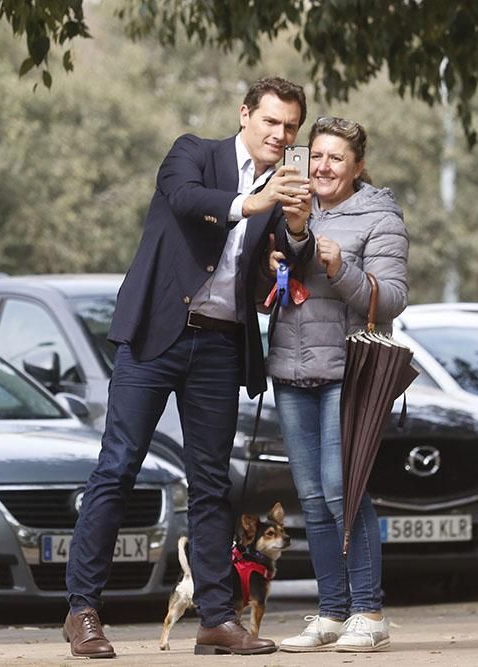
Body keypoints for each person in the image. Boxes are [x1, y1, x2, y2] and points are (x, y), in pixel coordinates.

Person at [63, 77, 313, 658]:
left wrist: (294, 227)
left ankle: (217, 620)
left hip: (222, 344)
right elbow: (185, 200)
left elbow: (286, 260)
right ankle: (82, 611)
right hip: (156, 335)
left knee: (210, 484)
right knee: (118, 467)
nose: (281, 135)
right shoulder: (193, 154)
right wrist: (253, 203)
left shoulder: (282, 189)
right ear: (245, 115)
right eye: (271, 122)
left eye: (291, 127)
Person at [266, 116, 409, 653]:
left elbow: (392, 298)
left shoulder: (380, 217)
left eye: (336, 159)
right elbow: (264, 282)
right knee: (309, 497)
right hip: (290, 367)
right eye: (316, 156)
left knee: (341, 491)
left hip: (347, 372)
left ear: (358, 167)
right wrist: (271, 262)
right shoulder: (287, 208)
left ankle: (368, 612)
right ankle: (330, 612)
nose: (322, 167)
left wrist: (341, 266)